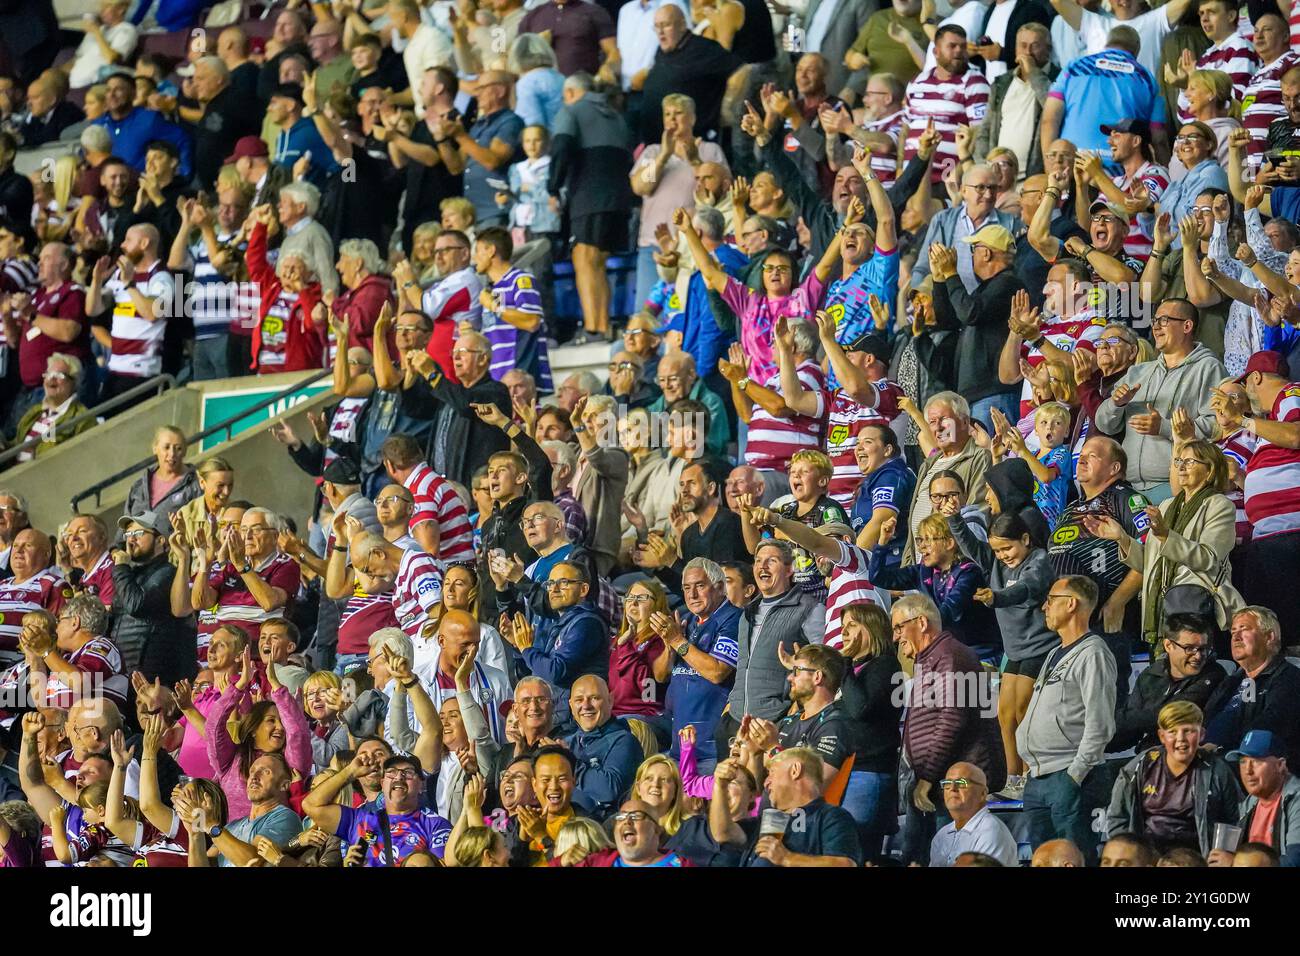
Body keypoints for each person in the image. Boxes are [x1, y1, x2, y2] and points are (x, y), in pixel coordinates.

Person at [893, 593, 1005, 863]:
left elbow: (952, 720)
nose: (895, 637)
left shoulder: (950, 655)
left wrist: (927, 778)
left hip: (954, 783)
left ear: (921, 622)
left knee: (950, 858)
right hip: (940, 781)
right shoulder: (935, 656)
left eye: (898, 627)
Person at [1017, 575, 1117, 865]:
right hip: (1038, 777)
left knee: (1074, 859)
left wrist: (1075, 774)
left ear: (1071, 603)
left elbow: (1101, 723)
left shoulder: (1093, 652)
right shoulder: (1052, 654)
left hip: (1069, 775)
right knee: (1044, 860)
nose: (1043, 608)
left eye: (1050, 600)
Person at [548, 72, 633, 344]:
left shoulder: (573, 110)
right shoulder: (616, 115)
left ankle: (593, 328)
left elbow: (560, 146)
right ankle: (603, 326)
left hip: (588, 196)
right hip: (619, 199)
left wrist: (553, 187)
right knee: (599, 261)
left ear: (572, 93)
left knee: (584, 258)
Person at [1107, 701, 1242, 856]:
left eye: (1188, 731)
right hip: (1148, 859)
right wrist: (1128, 855)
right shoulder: (1140, 767)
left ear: (1202, 735)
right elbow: (1118, 818)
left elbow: (1235, 819)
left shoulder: (1218, 771)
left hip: (1196, 860)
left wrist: (1224, 854)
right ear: (1162, 736)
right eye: (1172, 732)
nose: (1181, 739)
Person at [713, 747, 863, 867]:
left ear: (795, 770)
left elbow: (845, 864)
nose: (766, 783)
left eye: (772, 773)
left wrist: (787, 859)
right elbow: (722, 833)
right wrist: (720, 785)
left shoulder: (830, 816)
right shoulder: (772, 820)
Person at [1039, 25, 1166, 159]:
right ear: (1136, 49)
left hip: (1074, 165)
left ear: (1107, 43)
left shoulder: (1074, 68)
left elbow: (1049, 120)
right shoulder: (1146, 79)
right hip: (1120, 170)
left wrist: (1050, 166)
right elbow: (1159, 139)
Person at [1111, 613, 1228, 752]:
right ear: (1168, 645)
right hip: (1149, 757)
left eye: (1203, 649)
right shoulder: (1150, 675)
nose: (1198, 656)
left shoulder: (1214, 675)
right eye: (1189, 648)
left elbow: (1171, 715)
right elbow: (1131, 731)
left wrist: (1120, 718)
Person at [1203, 606, 1300, 770]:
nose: (1236, 637)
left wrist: (1219, 746)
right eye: (1233, 632)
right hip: (1212, 761)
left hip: (1253, 766)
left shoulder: (1289, 679)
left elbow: (1270, 726)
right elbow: (1209, 717)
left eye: (1244, 629)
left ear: (1269, 637)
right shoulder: (1232, 681)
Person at [1219, 729, 1300, 867]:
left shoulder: (1296, 800)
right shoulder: (1250, 802)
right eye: (1243, 762)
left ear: (1280, 765)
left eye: (1256, 761)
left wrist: (1234, 864)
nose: (1248, 771)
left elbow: (1295, 862)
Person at [565, 675, 642, 818]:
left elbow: (608, 790)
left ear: (610, 700)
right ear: (570, 705)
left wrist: (568, 762)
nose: (586, 706)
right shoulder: (568, 743)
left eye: (594, 698)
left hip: (602, 830)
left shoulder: (624, 741)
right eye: (579, 700)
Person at [929, 761, 1018, 866]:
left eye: (961, 783)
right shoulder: (942, 835)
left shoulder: (990, 830)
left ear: (982, 793)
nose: (952, 789)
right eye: (947, 784)